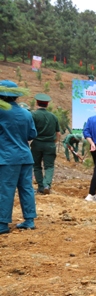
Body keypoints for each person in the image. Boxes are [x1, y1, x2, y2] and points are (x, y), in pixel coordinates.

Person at [0, 81, 37, 233]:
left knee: (6, 189)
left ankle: (2, 224)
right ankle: (29, 220)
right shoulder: (26, 113)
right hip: (25, 157)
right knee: (26, 188)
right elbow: (32, 134)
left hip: (7, 157)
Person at [30, 93, 60, 194]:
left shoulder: (33, 115)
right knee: (49, 166)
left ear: (37, 103)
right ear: (47, 104)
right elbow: (58, 134)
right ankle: (47, 184)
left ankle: (41, 187)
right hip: (50, 144)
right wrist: (54, 142)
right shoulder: (53, 117)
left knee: (36, 165)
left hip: (37, 144)